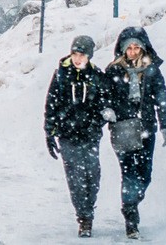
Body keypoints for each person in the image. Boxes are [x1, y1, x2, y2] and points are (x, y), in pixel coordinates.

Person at [44, 35, 115, 238]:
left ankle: (89, 208)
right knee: (75, 177)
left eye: (82, 54)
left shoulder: (96, 76)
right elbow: (51, 105)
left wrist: (96, 122)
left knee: (92, 175)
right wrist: (50, 132)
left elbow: (104, 105)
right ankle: (84, 217)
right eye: (75, 53)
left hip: (90, 135)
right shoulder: (60, 75)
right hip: (67, 135)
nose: (77, 58)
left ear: (89, 56)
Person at [105, 26, 166, 240]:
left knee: (145, 174)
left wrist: (165, 125)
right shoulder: (114, 70)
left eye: (137, 47)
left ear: (143, 49)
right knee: (129, 174)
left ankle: (132, 200)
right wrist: (108, 111)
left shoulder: (152, 70)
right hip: (123, 129)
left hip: (146, 128)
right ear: (123, 50)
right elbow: (104, 97)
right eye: (129, 48)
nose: (133, 51)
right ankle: (131, 219)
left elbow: (161, 98)